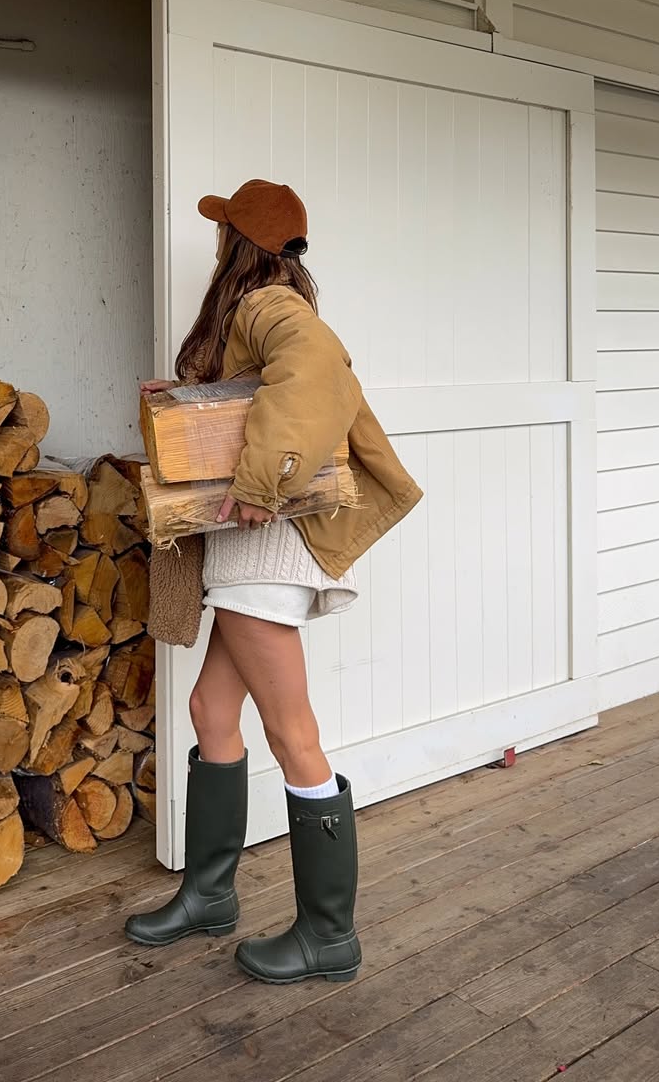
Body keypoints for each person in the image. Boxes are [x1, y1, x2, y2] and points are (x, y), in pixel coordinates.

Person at [125, 179, 422, 984]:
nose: (216, 241)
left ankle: (329, 934)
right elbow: (254, 399)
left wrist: (264, 481)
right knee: (209, 709)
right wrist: (187, 400)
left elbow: (315, 372)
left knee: (292, 734)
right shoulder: (264, 304)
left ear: (238, 242)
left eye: (223, 229)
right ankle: (209, 896)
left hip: (267, 546)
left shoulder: (266, 303)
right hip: (247, 550)